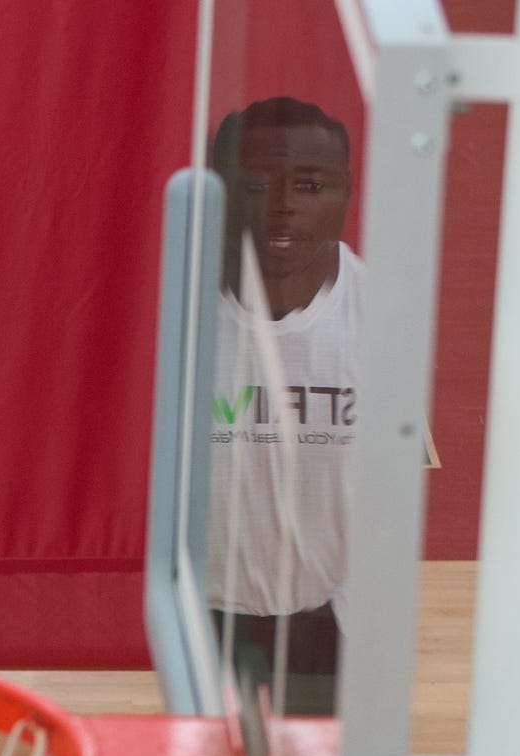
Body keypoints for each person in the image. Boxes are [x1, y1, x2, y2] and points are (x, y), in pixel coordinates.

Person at [205, 96, 360, 718]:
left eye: (309, 184)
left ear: (345, 194)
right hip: (203, 609)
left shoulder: (381, 317)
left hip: (327, 616)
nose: (283, 205)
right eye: (257, 185)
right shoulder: (174, 308)